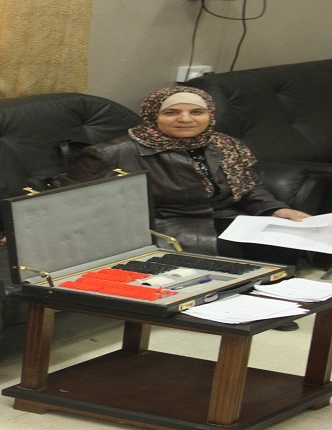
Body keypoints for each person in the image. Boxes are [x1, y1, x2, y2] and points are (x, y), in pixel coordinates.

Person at [55, 86, 310, 330]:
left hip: (222, 215)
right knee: (229, 249)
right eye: (172, 112)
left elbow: (250, 188)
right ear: (153, 115)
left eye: (196, 112)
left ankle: (272, 304)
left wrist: (275, 209)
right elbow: (70, 200)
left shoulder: (225, 145)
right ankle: (232, 309)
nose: (185, 119)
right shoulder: (112, 153)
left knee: (282, 239)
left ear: (210, 115)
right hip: (165, 225)